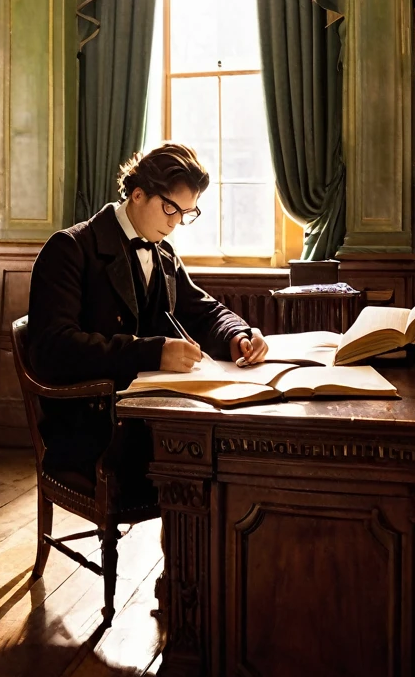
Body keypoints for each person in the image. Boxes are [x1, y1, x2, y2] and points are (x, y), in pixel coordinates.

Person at [27, 142, 268, 497]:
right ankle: (192, 547)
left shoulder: (163, 252)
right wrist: (152, 353)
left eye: (187, 213)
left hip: (148, 416)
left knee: (237, 449)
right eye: (170, 208)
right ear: (137, 194)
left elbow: (202, 310)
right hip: (92, 428)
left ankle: (196, 547)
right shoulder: (70, 248)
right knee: (214, 466)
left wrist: (237, 335)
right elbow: (53, 349)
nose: (176, 223)